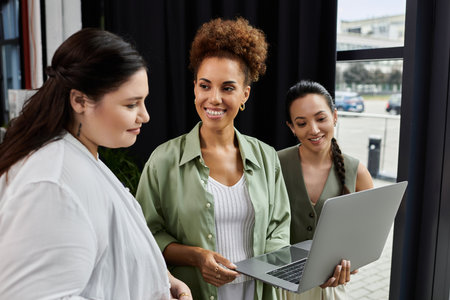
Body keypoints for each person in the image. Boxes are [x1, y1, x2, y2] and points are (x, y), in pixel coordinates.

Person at [0, 28, 191, 300]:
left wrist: (162, 280)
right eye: (131, 105)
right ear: (80, 101)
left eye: (143, 102)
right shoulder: (51, 186)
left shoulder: (83, 156)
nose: (145, 116)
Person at [136, 17, 291, 300]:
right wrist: (196, 257)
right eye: (205, 86)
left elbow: (279, 230)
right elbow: (145, 237)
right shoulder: (163, 161)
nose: (214, 98)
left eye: (228, 88)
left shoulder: (267, 158)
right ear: (195, 87)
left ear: (245, 94)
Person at [277, 80, 374, 300]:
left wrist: (351, 263)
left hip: (329, 290)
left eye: (321, 119)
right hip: (280, 286)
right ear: (291, 127)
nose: (314, 129)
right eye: (301, 123)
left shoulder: (356, 171)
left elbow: (367, 238)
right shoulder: (275, 164)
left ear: (335, 116)